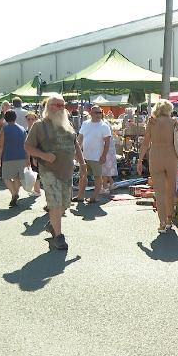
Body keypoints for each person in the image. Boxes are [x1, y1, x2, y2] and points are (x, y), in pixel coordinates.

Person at [25, 94, 87, 250]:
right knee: (55, 204)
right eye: (56, 105)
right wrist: (43, 155)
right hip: (49, 171)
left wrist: (83, 163)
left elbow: (75, 145)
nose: (60, 108)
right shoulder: (39, 125)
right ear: (48, 107)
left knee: (64, 204)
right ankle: (59, 237)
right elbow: (28, 146)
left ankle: (53, 225)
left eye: (62, 105)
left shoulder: (67, 124)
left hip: (66, 171)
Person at [137, 100, 178, 232]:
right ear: (169, 109)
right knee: (170, 191)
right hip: (171, 157)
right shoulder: (174, 121)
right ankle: (170, 219)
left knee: (159, 192)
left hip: (156, 157)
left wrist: (140, 160)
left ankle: (162, 223)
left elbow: (146, 143)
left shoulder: (151, 122)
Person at [76, 106, 111, 203]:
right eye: (96, 112)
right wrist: (77, 152)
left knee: (97, 177)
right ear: (91, 113)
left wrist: (104, 156)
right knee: (82, 176)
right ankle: (80, 196)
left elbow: (107, 143)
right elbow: (80, 139)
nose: (99, 114)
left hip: (97, 157)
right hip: (85, 156)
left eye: (100, 112)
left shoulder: (104, 126)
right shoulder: (85, 124)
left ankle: (94, 197)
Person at [0, 110, 28, 207]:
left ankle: (14, 194)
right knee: (17, 177)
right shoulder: (22, 129)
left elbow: (1, 145)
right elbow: (26, 145)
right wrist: (28, 158)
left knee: (6, 177)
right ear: (15, 118)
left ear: (5, 118)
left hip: (8, 156)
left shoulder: (4, 129)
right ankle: (15, 194)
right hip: (21, 156)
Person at [25, 111, 41, 196]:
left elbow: (36, 145)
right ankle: (36, 190)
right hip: (29, 154)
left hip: (35, 154)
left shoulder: (36, 130)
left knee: (35, 171)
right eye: (28, 119)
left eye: (32, 119)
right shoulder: (27, 130)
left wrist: (34, 157)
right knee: (34, 171)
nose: (30, 121)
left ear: (36, 119)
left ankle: (37, 190)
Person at [101, 119, 118, 194]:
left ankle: (105, 187)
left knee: (104, 168)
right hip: (109, 147)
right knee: (107, 167)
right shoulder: (106, 122)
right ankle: (111, 183)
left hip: (106, 147)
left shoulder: (103, 124)